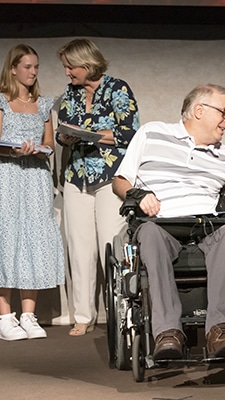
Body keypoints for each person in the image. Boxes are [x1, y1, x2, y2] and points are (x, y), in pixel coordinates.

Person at [113, 84, 225, 360]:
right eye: (224, 112)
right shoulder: (152, 133)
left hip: (206, 228)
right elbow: (120, 181)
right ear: (199, 110)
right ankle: (167, 333)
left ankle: (221, 330)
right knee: (150, 235)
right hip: (160, 224)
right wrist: (138, 195)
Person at [56, 38, 140, 336]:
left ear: (86, 63)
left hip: (110, 178)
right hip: (76, 176)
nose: (67, 73)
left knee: (112, 245)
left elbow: (129, 133)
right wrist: (65, 137)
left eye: (70, 67)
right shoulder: (71, 94)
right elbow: (64, 129)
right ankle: (83, 315)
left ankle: (125, 313)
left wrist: (88, 134)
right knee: (79, 248)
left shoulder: (117, 89)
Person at [0, 44, 65, 340]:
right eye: (27, 66)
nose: (33, 72)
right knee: (7, 238)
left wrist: (41, 151)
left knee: (34, 239)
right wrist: (13, 152)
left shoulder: (42, 105)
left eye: (36, 67)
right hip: (8, 176)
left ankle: (29, 314)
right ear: (13, 68)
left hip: (36, 177)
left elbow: (49, 143)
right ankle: (4, 316)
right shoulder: (2, 102)